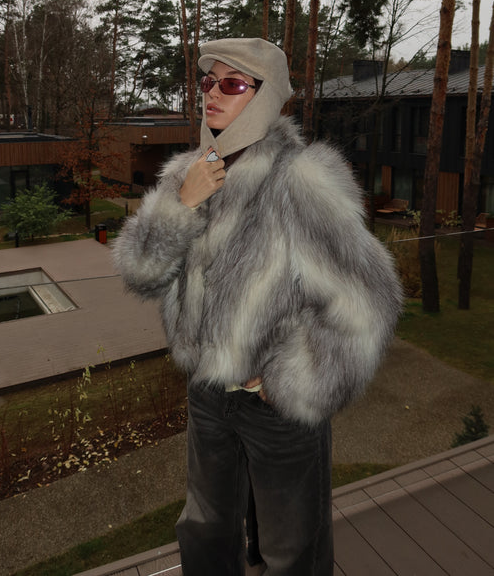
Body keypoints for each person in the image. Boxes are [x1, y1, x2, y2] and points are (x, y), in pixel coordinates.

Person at [114, 37, 402, 576]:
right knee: (204, 530)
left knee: (291, 549)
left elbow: (370, 300)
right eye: (208, 82)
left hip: (276, 408)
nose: (212, 94)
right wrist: (181, 204)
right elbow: (140, 272)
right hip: (207, 394)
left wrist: (290, 379)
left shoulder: (301, 178)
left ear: (265, 97)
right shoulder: (187, 174)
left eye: (232, 83)